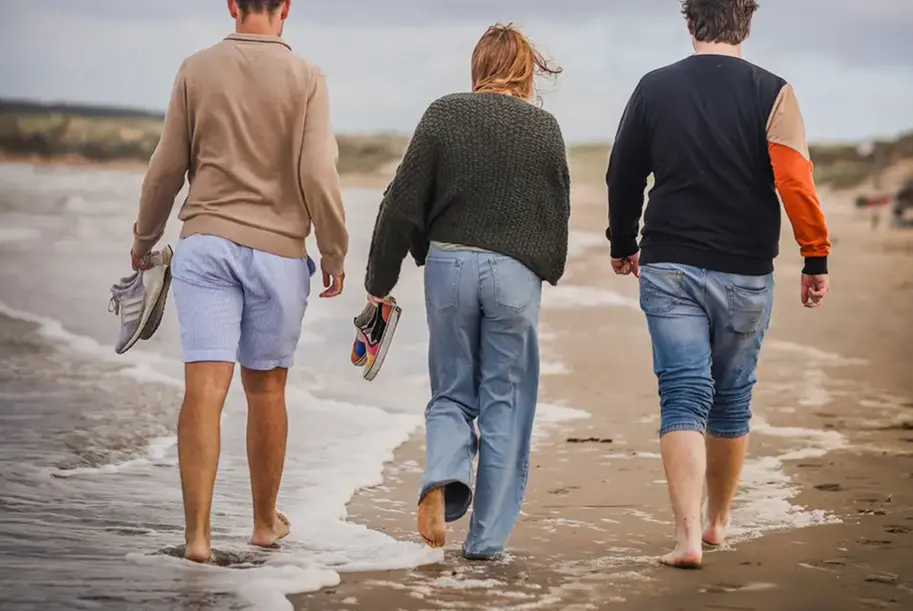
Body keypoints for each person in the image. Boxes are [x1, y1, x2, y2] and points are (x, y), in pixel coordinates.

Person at [606, 0, 831, 568]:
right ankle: (717, 523)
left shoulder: (654, 88)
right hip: (746, 269)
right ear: (747, 22)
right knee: (731, 397)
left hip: (670, 264)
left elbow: (623, 171)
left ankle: (684, 537)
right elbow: (795, 181)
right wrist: (814, 255)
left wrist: (622, 242)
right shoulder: (774, 92)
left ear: (689, 22)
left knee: (682, 392)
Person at [127, 0, 348, 563]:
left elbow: (166, 165)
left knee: (204, 386)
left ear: (231, 4)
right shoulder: (307, 77)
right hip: (278, 252)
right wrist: (333, 250)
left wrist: (144, 239)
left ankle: (198, 537)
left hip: (205, 243)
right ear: (287, 8)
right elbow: (318, 172)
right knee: (267, 389)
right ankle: (263, 523)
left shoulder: (195, 68)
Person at [363, 24, 570, 559]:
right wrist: (543, 269)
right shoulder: (545, 129)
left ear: (478, 69)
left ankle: (442, 476)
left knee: (452, 393)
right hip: (514, 276)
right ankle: (485, 544)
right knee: (505, 402)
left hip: (449, 266)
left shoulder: (443, 114)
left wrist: (379, 286)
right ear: (525, 73)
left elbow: (401, 205)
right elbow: (556, 216)